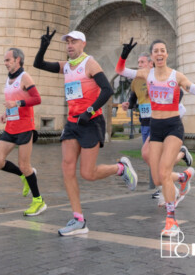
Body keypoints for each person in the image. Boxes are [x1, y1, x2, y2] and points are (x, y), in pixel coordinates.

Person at [34, 28, 138, 236]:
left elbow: (107, 90)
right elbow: (39, 64)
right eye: (67, 42)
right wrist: (43, 46)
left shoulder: (90, 63)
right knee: (67, 168)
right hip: (72, 123)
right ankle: (78, 219)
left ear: (83, 44)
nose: (69, 45)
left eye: (73, 42)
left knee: (88, 174)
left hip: (91, 122)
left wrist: (89, 111)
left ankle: (120, 168)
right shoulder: (66, 66)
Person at [116, 37, 195, 236]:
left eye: (163, 50)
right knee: (157, 178)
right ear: (152, 56)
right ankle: (184, 176)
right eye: (156, 51)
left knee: (164, 172)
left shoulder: (176, 76)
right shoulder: (146, 74)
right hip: (156, 127)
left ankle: (171, 221)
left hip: (173, 127)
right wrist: (124, 55)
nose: (160, 53)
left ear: (167, 54)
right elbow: (120, 70)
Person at [121, 52, 193, 203]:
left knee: (148, 155)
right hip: (145, 124)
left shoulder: (160, 77)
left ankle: (170, 190)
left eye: (142, 62)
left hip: (160, 123)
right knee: (153, 160)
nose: (139, 65)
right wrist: (128, 105)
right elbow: (134, 100)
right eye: (138, 63)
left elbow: (179, 92)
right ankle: (180, 175)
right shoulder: (136, 81)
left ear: (150, 63)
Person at [0, 48, 46, 217]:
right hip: (11, 127)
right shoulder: (8, 79)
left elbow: (37, 99)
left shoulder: (25, 77)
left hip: (25, 127)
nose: (5, 63)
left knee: (24, 165)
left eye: (8, 60)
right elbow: (11, 102)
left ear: (17, 60)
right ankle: (25, 175)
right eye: (5, 60)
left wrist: (17, 103)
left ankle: (38, 201)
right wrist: (6, 113)